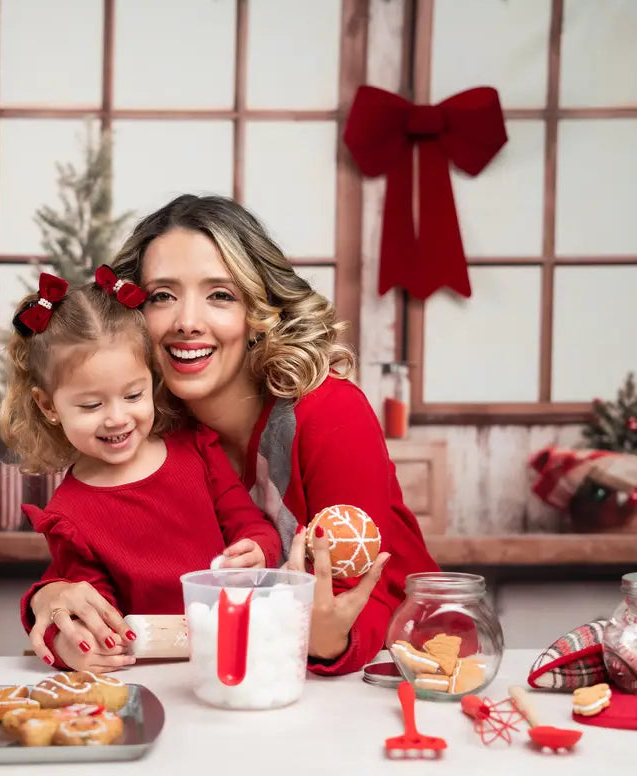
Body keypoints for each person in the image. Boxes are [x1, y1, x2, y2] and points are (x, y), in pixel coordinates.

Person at [25, 194, 442, 676]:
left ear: (258, 311)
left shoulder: (330, 413)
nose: (187, 322)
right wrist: (49, 598)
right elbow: (101, 558)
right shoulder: (149, 434)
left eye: (220, 295)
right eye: (162, 296)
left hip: (403, 669)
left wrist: (330, 638)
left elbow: (365, 596)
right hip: (233, 682)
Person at [0, 265, 282, 673]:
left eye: (133, 395)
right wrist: (75, 647)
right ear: (48, 406)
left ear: (152, 380)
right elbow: (87, 612)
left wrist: (258, 549)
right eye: (91, 405)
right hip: (151, 675)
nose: (117, 418)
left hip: (238, 656)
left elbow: (250, 524)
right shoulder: (69, 516)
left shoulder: (197, 450)